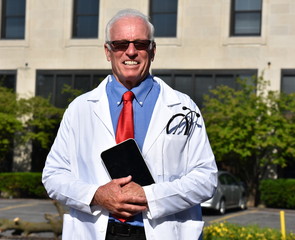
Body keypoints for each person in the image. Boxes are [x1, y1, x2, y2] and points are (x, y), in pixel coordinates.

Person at [42, 8, 217, 240]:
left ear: (153, 50)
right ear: (108, 51)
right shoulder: (80, 108)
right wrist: (96, 195)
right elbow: (53, 175)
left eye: (140, 44)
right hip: (98, 232)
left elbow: (205, 178)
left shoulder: (183, 108)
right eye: (121, 44)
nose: (131, 52)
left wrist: (149, 196)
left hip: (161, 231)